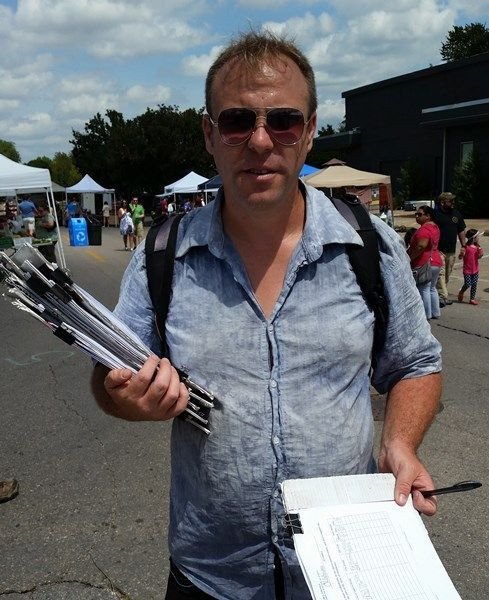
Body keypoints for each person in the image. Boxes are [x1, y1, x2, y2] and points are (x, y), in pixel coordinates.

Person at [91, 30, 442, 599]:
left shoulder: (366, 245)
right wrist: (125, 399)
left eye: (282, 120)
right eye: (237, 122)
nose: (260, 141)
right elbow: (108, 380)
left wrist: (401, 443)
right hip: (212, 577)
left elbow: (416, 363)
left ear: (308, 132)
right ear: (209, 133)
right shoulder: (162, 254)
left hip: (343, 567)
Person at [408, 206, 443, 320]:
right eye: (416, 214)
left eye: (420, 214)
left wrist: (410, 258)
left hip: (424, 262)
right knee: (432, 288)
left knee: (424, 289)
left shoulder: (424, 229)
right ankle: (435, 312)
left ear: (428, 216)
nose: (417, 216)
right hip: (436, 261)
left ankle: (426, 314)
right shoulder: (435, 227)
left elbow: (421, 246)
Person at [434, 192, 466, 307]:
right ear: (443, 202)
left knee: (447, 274)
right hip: (439, 250)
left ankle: (441, 294)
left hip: (451, 251)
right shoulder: (436, 214)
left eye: (453, 200)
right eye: (450, 200)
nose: (453, 202)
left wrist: (463, 246)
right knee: (440, 273)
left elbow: (461, 230)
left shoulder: (456, 214)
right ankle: (442, 296)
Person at [457, 228, 484, 305]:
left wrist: (481, 254)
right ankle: (461, 292)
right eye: (477, 237)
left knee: (474, 284)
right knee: (468, 284)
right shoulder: (466, 247)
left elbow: (478, 257)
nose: (478, 238)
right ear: (473, 238)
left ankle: (472, 299)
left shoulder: (477, 247)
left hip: (475, 269)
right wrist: (461, 254)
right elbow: (460, 257)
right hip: (467, 270)